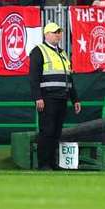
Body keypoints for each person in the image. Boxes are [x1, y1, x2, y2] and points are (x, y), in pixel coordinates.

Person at [29, 22, 80, 170]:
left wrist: (75, 98)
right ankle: (43, 163)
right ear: (46, 34)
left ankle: (52, 162)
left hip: (62, 98)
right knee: (47, 131)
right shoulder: (39, 51)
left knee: (57, 132)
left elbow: (69, 78)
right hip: (47, 98)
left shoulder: (63, 53)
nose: (58, 34)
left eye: (59, 32)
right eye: (54, 32)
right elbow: (33, 77)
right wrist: (38, 97)